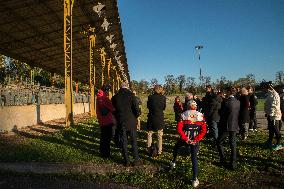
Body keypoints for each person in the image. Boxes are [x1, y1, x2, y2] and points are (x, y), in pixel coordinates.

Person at [170, 100, 207, 188]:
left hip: (184, 138)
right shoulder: (201, 115)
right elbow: (204, 130)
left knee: (176, 148)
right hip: (195, 140)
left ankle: (173, 162)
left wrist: (186, 139)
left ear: (188, 106)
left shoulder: (183, 115)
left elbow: (179, 129)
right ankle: (194, 179)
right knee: (194, 158)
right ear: (196, 106)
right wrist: (196, 139)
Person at [112, 82, 141, 166]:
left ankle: (126, 161)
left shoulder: (115, 97)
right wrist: (136, 116)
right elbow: (136, 109)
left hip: (121, 122)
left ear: (120, 87)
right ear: (127, 87)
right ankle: (136, 160)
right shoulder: (132, 96)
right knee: (133, 141)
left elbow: (114, 110)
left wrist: (118, 117)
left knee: (124, 141)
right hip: (131, 121)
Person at [216, 86, 240, 170]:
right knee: (233, 144)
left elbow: (221, 113)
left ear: (229, 92)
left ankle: (223, 160)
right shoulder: (237, 102)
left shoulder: (226, 102)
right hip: (234, 125)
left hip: (226, 125)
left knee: (219, 142)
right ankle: (233, 163)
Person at [146, 85, 166, 156]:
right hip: (159, 118)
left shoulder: (150, 97)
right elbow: (163, 107)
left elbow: (148, 106)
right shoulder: (163, 97)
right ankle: (159, 151)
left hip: (151, 117)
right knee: (159, 135)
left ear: (154, 90)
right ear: (160, 90)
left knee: (149, 134)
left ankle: (148, 150)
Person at [96, 85, 115, 158]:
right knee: (107, 138)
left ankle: (102, 152)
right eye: (108, 91)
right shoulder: (104, 98)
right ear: (106, 90)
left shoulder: (98, 97)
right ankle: (106, 154)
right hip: (107, 120)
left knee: (103, 137)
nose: (109, 92)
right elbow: (113, 108)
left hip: (101, 120)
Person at [263, 82, 282, 150]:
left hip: (274, 116)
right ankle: (270, 141)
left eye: (264, 88)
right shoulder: (269, 94)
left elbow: (274, 106)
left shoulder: (274, 94)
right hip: (270, 115)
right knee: (271, 129)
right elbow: (268, 104)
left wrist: (271, 115)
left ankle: (279, 143)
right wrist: (267, 113)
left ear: (268, 88)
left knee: (275, 129)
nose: (263, 89)